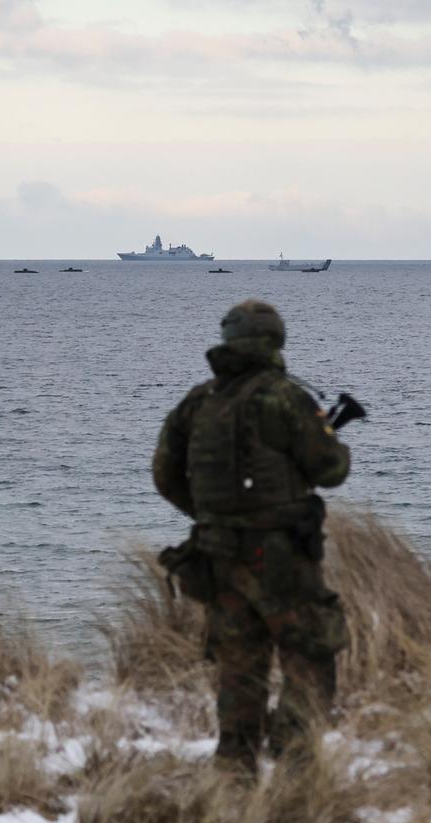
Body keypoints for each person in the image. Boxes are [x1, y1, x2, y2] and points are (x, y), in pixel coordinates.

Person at [152, 299, 351, 776]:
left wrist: (210, 516)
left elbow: (164, 473)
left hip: (217, 557)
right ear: (275, 341)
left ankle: (235, 774)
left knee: (239, 669)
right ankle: (294, 764)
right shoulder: (284, 398)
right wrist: (327, 435)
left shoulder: (198, 402)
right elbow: (332, 470)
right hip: (282, 557)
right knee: (311, 654)